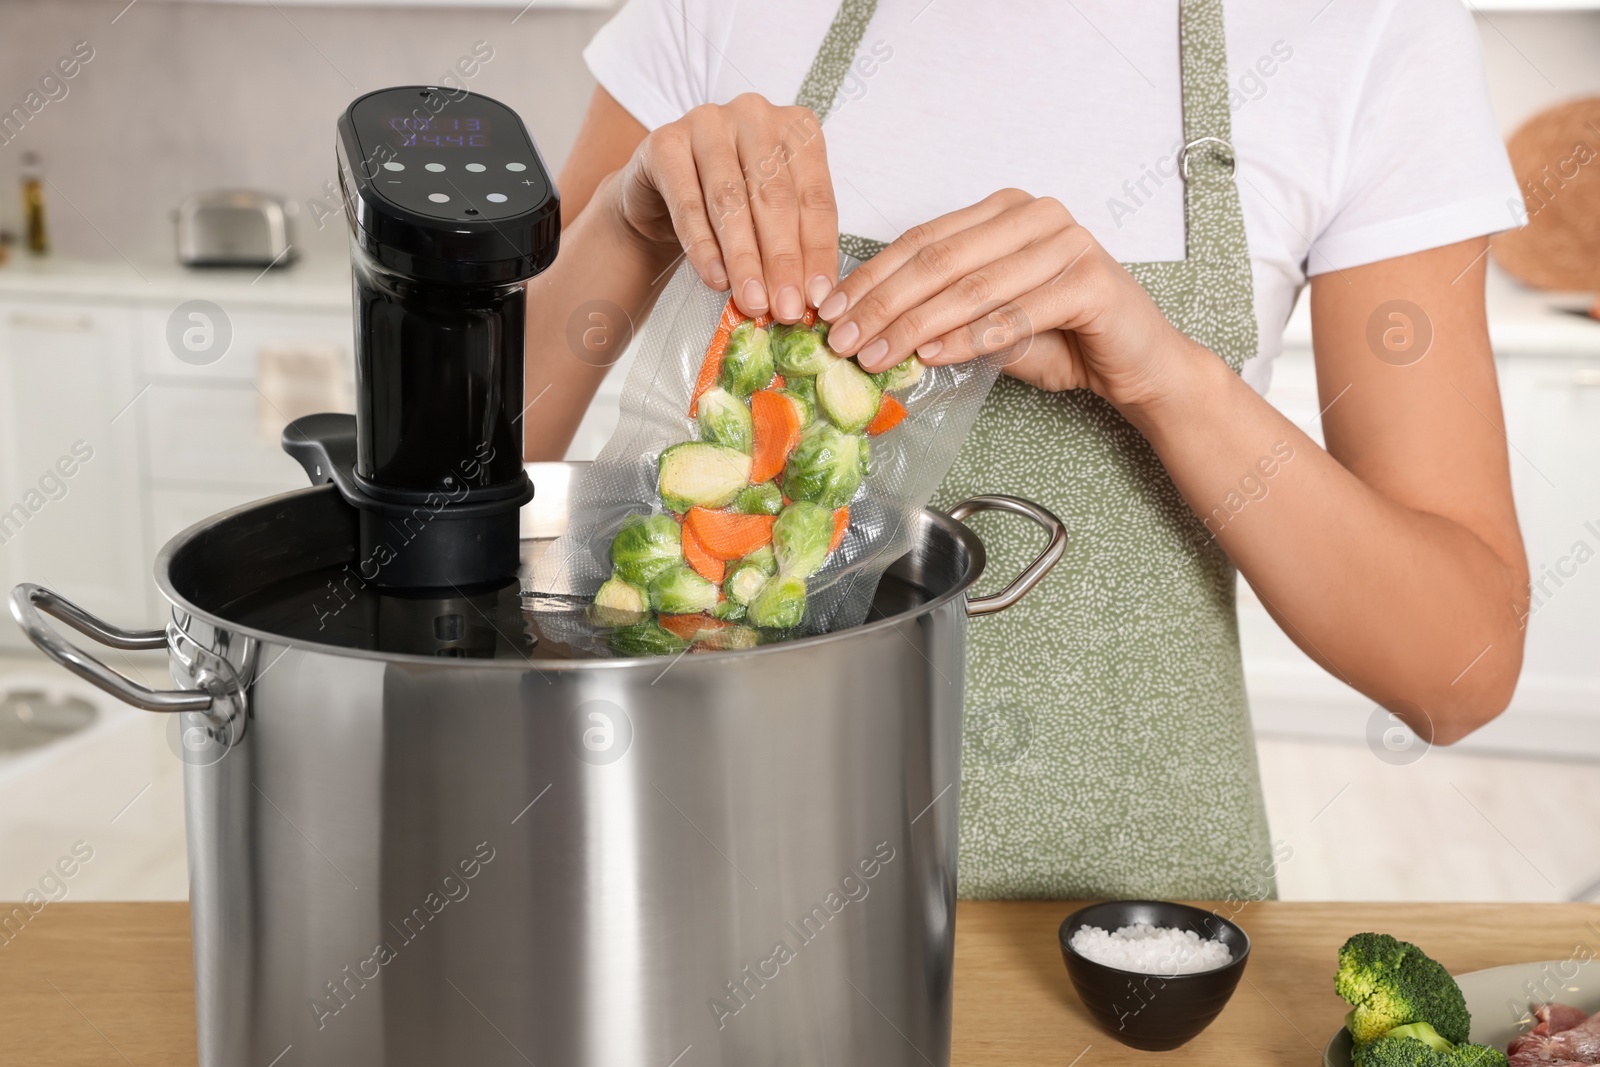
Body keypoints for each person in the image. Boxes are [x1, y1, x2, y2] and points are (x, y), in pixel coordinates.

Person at [521, 0, 1530, 899]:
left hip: (1121, 921)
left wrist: (1167, 380)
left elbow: (1457, 671)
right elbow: (461, 483)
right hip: (701, 869)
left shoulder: (1369, 30)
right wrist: (625, 223)